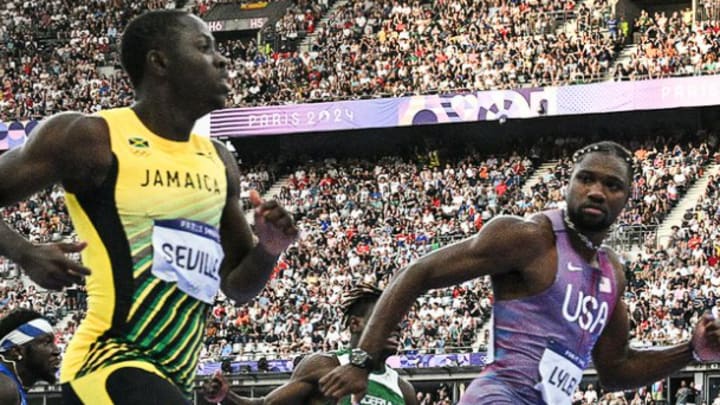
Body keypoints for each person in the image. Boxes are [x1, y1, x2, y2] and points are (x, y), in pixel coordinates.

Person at [0, 9, 297, 405]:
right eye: (204, 47)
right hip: (109, 362)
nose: (222, 59)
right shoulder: (90, 137)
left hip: (173, 375)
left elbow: (238, 285)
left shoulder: (218, 159)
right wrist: (25, 253)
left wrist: (270, 249)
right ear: (159, 62)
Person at [318, 141, 720, 405]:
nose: (596, 191)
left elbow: (616, 370)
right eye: (586, 179)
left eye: (611, 184)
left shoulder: (612, 271)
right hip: (499, 396)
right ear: (569, 184)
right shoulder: (529, 238)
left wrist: (690, 351)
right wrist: (361, 360)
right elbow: (417, 272)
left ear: (628, 198)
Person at [202, 283, 417, 404]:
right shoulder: (324, 366)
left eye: (397, 320)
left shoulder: (404, 390)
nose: (396, 326)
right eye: (384, 320)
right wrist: (226, 397)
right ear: (355, 324)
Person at [0, 309, 61, 405]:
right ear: (17, 351)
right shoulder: (5, 389)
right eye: (47, 342)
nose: (57, 351)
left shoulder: (12, 384)